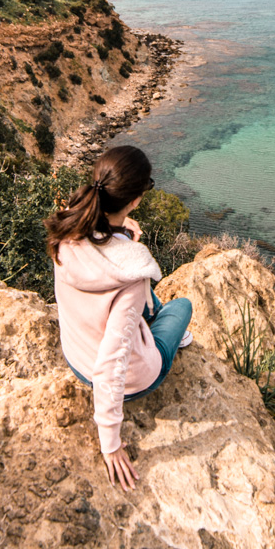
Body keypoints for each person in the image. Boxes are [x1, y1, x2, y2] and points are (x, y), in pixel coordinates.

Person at [46, 145, 193, 492]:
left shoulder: (67, 226)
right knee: (182, 307)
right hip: (129, 380)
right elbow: (112, 362)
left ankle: (154, 317)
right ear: (136, 199)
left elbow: (105, 248)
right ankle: (172, 339)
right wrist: (110, 443)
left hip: (77, 356)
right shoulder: (130, 270)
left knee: (143, 299)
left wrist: (122, 231)